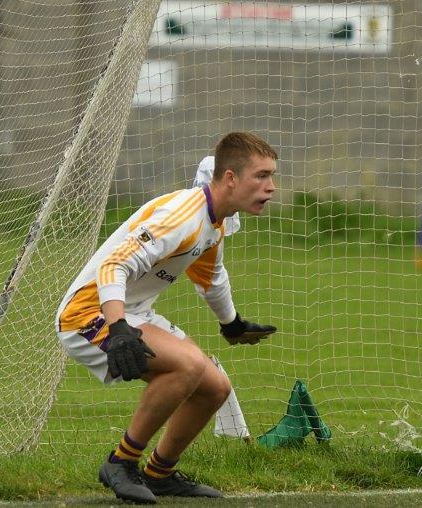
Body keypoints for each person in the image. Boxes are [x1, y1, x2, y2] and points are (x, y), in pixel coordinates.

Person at [55, 132, 279, 503]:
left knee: (215, 388)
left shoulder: (215, 221)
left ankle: (160, 473)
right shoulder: (182, 217)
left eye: (272, 176)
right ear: (229, 178)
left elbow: (210, 279)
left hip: (132, 313)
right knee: (187, 366)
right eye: (261, 176)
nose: (271, 187)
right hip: (88, 313)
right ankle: (120, 463)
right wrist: (119, 329)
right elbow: (113, 267)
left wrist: (232, 324)